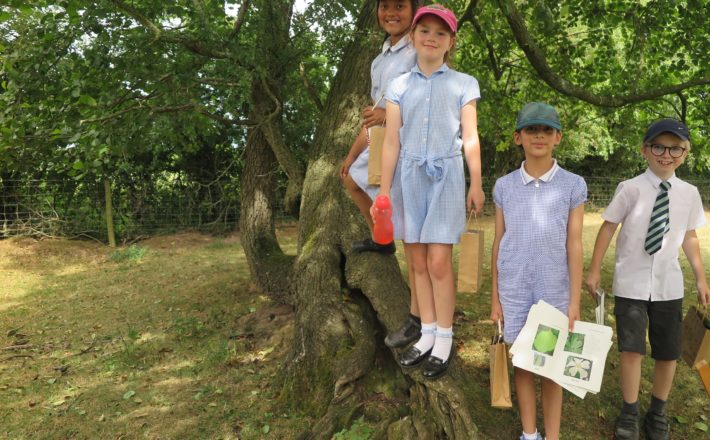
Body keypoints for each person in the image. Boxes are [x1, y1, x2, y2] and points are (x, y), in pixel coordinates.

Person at [375, 4, 485, 379]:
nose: (431, 38)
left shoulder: (464, 83)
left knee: (439, 262)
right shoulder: (399, 86)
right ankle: (426, 333)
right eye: (425, 31)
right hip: (408, 178)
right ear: (413, 36)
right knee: (417, 262)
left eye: (440, 33)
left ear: (450, 42)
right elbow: (391, 142)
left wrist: (477, 182)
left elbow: (469, 138)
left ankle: (445, 338)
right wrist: (384, 192)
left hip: (446, 177)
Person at [585, 119, 710, 440]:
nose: (666, 154)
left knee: (668, 352)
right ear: (645, 150)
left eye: (675, 148)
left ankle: (657, 411)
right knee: (632, 349)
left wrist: (700, 278)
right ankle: (629, 412)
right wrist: (595, 269)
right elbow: (609, 226)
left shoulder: (689, 194)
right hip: (630, 284)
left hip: (669, 287)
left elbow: (690, 237)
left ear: (685, 153)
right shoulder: (630, 188)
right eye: (658, 146)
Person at [490, 102, 586, 440]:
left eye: (546, 130)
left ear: (558, 137)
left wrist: (573, 301)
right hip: (514, 289)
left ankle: (553, 435)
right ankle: (529, 433)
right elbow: (499, 240)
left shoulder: (573, 185)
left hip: (554, 290)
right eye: (531, 129)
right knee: (523, 364)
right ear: (518, 137)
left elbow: (574, 245)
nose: (539, 136)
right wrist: (495, 298)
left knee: (551, 366)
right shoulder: (504, 186)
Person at [339, 0, 424, 350]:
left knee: (414, 239)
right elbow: (373, 115)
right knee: (349, 179)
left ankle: (418, 318)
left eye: (400, 6)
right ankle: (382, 239)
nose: (392, 12)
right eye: (385, 6)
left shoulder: (419, 48)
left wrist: (389, 116)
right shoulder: (379, 59)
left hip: (408, 150)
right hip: (380, 147)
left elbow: (423, 101)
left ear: (413, 10)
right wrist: (351, 154)